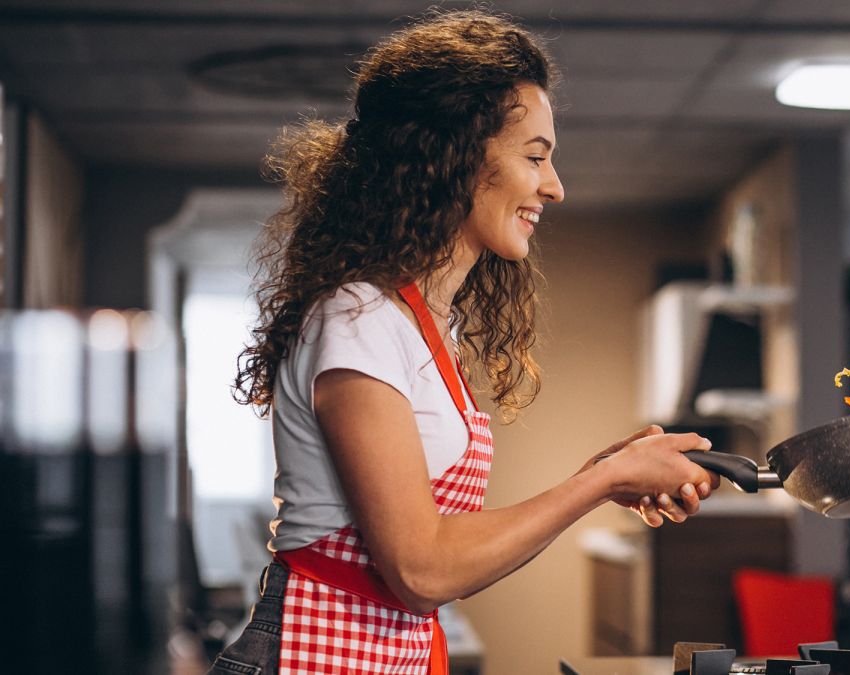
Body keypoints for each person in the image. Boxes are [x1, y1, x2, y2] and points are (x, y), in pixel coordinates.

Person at [207, 10, 719, 675]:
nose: (555, 185)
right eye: (535, 155)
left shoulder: (420, 323)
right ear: (452, 154)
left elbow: (437, 544)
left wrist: (602, 477)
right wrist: (604, 480)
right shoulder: (359, 318)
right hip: (305, 652)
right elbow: (422, 566)